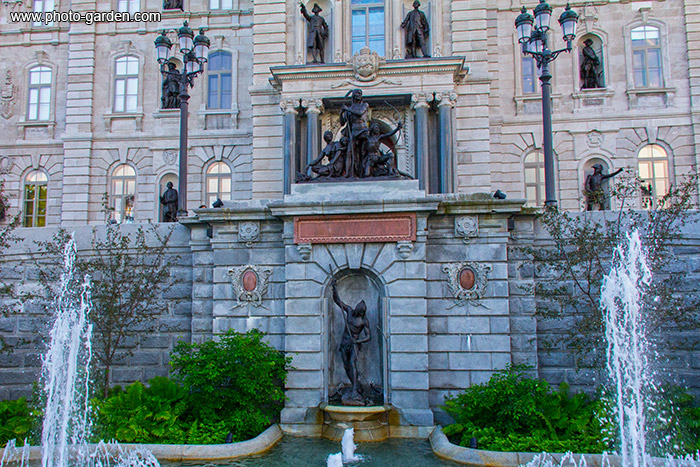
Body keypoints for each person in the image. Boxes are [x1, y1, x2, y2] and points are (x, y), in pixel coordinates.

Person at [331, 276, 370, 405]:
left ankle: (354, 390)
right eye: (359, 307)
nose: (359, 309)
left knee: (352, 363)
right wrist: (334, 289)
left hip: (354, 345)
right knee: (346, 365)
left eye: (361, 309)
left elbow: (368, 336)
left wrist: (358, 341)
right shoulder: (349, 311)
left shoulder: (363, 321)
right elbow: (337, 301)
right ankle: (356, 384)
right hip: (345, 343)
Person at [340, 89, 370, 178]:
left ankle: (364, 173)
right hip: (354, 131)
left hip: (363, 130)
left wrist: (347, 109)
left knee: (363, 152)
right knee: (349, 152)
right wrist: (341, 113)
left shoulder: (364, 105)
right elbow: (342, 123)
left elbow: (360, 113)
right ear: (353, 95)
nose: (359, 95)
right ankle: (348, 173)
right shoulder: (350, 109)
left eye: (360, 93)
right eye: (357, 93)